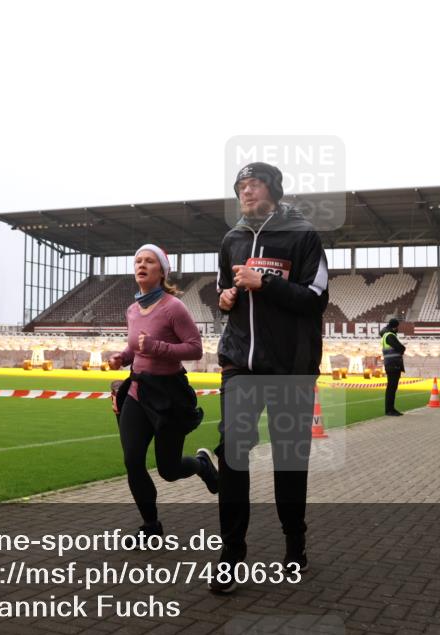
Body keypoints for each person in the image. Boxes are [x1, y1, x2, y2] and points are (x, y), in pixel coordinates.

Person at [211, 162, 329, 594]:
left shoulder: (303, 236)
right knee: (233, 453)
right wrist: (224, 299)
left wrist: (265, 282)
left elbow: (315, 299)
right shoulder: (231, 239)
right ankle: (230, 554)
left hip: (291, 368)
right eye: (240, 186)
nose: (246, 192)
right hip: (240, 365)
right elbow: (225, 292)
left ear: (274, 190)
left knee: (289, 458)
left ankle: (294, 542)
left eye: (254, 184)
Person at [109, 245, 218, 540]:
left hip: (168, 396)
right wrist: (123, 357)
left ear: (162, 271)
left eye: (149, 261)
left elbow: (195, 349)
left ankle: (201, 464)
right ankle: (151, 527)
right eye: (137, 261)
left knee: (168, 469)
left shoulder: (173, 307)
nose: (141, 265)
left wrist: (157, 348)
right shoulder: (132, 309)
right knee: (133, 461)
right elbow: (135, 346)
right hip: (137, 390)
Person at [380, 318, 406, 416]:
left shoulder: (386, 335)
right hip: (393, 364)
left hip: (390, 364)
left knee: (391, 387)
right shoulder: (390, 336)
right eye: (397, 327)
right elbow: (400, 348)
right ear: (395, 326)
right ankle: (390, 410)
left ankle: (390, 409)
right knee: (392, 388)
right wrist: (403, 348)